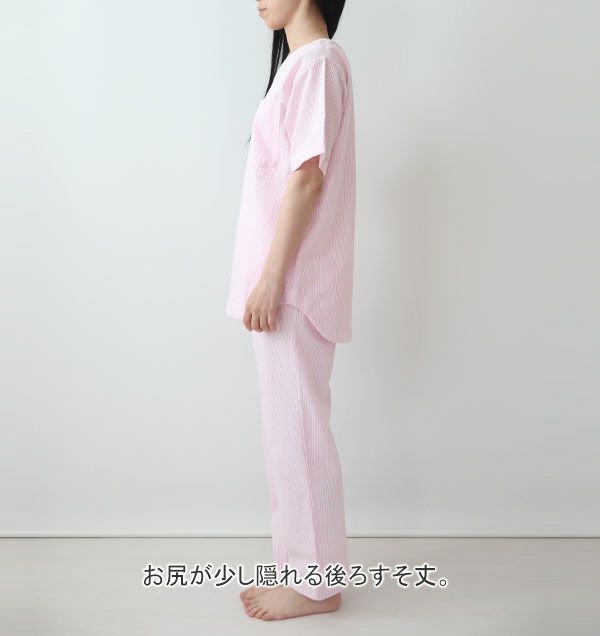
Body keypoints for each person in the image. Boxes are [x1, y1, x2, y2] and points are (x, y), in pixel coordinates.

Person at [225, 0, 355, 621]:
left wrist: (272, 279)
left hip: (294, 285)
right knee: (288, 433)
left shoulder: (318, 62)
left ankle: (316, 584)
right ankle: (303, 568)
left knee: (297, 433)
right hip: (288, 284)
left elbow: (307, 178)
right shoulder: (305, 64)